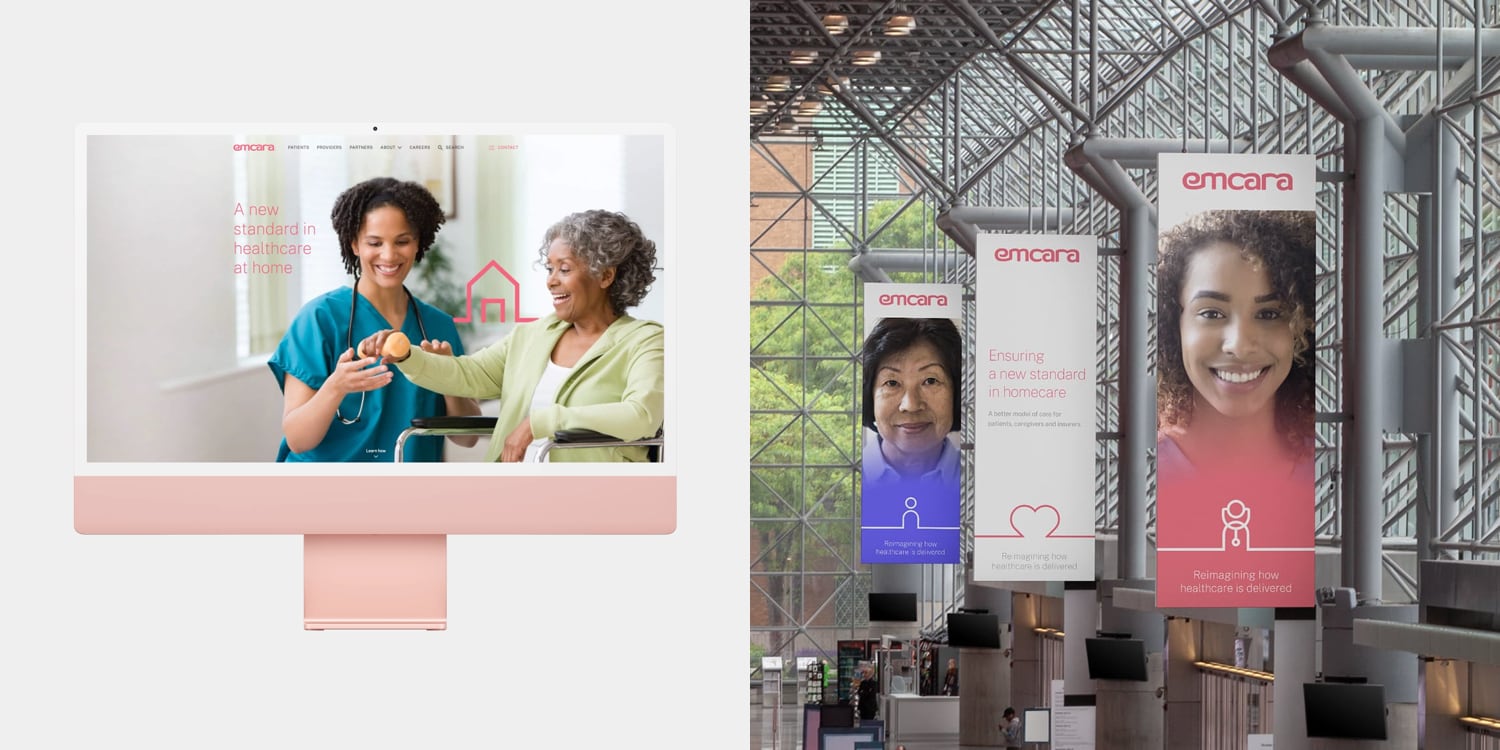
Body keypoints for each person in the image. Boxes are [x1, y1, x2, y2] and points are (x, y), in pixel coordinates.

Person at [363, 209, 663, 462]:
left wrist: (541, 423)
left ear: (605, 275)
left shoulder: (644, 341)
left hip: (592, 497)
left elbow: (641, 416)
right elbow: (467, 374)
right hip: (512, 492)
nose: (551, 281)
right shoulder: (532, 335)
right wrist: (407, 355)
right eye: (549, 268)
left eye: (564, 269)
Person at [268, 177, 480, 462]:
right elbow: (297, 439)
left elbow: (467, 437)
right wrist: (337, 386)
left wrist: (448, 379)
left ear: (418, 243)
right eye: (374, 242)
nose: (389, 255)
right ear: (354, 244)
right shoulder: (319, 319)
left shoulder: (438, 327)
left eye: (402, 241)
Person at [1155, 209, 1316, 483]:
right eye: (1211, 314)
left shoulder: (1337, 462)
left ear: (1305, 327)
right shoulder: (1135, 466)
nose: (1239, 346)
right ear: (1173, 325)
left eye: (1269, 314)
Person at [861, 316, 963, 497]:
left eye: (930, 381)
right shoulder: (839, 476)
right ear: (869, 396)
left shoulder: (984, 477)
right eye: (892, 383)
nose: (911, 405)